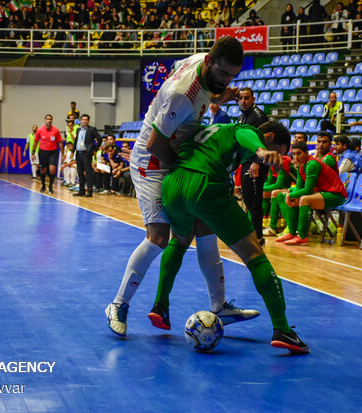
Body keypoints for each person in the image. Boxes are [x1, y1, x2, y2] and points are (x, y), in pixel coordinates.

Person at [106, 37, 257, 337]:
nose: (228, 81)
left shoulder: (202, 62)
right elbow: (155, 143)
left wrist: (217, 97)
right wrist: (187, 170)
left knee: (204, 223)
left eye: (233, 76)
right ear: (210, 63)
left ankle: (219, 305)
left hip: (175, 150)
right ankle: (118, 304)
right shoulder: (180, 95)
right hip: (153, 161)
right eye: (223, 75)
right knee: (160, 236)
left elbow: (196, 97)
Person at [155, 120, 309, 353]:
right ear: (268, 137)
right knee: (254, 252)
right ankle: (282, 329)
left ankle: (160, 305)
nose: (274, 161)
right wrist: (261, 150)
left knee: (179, 241)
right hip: (204, 184)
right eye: (278, 153)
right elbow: (246, 135)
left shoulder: (215, 130)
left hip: (173, 183)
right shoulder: (244, 130)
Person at [275, 141, 348, 245]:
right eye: (294, 154)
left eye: (299, 154)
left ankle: (302, 237)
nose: (296, 157)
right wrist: (290, 192)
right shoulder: (301, 166)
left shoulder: (312, 164)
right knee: (288, 197)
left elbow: (308, 190)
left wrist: (290, 194)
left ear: (306, 153)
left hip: (336, 195)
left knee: (304, 199)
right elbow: (299, 187)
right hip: (322, 193)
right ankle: (292, 233)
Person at [237, 87, 269, 246]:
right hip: (246, 162)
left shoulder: (258, 116)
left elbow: (266, 140)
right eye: (241, 98)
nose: (243, 101)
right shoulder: (242, 117)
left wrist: (258, 161)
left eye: (246, 98)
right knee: (249, 200)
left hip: (256, 163)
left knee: (254, 202)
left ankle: (258, 239)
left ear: (253, 99)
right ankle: (253, 235)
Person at [32, 114, 64, 194]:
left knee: (52, 170)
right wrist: (33, 152)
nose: (49, 120)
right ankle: (43, 185)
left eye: (50, 119)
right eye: (47, 119)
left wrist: (63, 154)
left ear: (52, 120)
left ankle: (50, 186)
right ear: (45, 120)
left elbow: (60, 143)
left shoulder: (56, 130)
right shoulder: (40, 130)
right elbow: (35, 142)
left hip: (53, 152)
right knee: (43, 170)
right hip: (43, 152)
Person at [72, 114, 102, 197]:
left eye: (86, 120)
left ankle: (89, 191)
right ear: (81, 120)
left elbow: (99, 139)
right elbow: (76, 141)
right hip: (79, 153)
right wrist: (72, 151)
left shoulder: (92, 129)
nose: (84, 121)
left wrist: (94, 149)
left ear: (88, 121)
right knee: (80, 172)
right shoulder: (78, 130)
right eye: (83, 119)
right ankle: (81, 190)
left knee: (88, 173)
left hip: (86, 153)